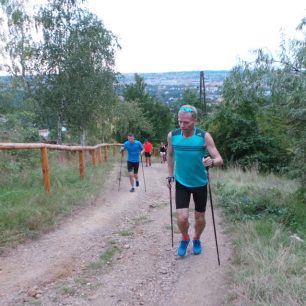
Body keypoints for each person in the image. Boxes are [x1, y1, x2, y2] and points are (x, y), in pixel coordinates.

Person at [167, 104, 223, 257]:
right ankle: (185, 238)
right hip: (181, 183)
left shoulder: (203, 136)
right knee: (182, 217)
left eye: (186, 122)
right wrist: (170, 175)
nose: (182, 125)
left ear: (195, 121)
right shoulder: (173, 135)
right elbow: (170, 155)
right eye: (180, 121)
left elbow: (219, 159)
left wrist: (212, 161)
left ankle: (196, 238)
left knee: (200, 219)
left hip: (200, 183)